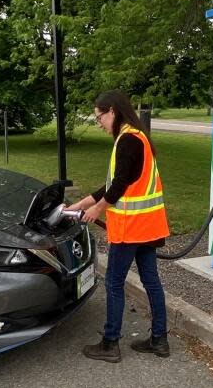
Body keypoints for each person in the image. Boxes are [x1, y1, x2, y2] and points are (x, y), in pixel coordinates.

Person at [66, 90, 170, 363]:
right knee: (151, 281)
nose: (99, 123)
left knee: (113, 282)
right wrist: (82, 203)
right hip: (148, 227)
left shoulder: (127, 140)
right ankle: (160, 340)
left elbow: (120, 185)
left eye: (99, 117)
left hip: (130, 229)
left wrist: (96, 210)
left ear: (112, 111)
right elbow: (114, 184)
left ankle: (110, 343)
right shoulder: (139, 137)